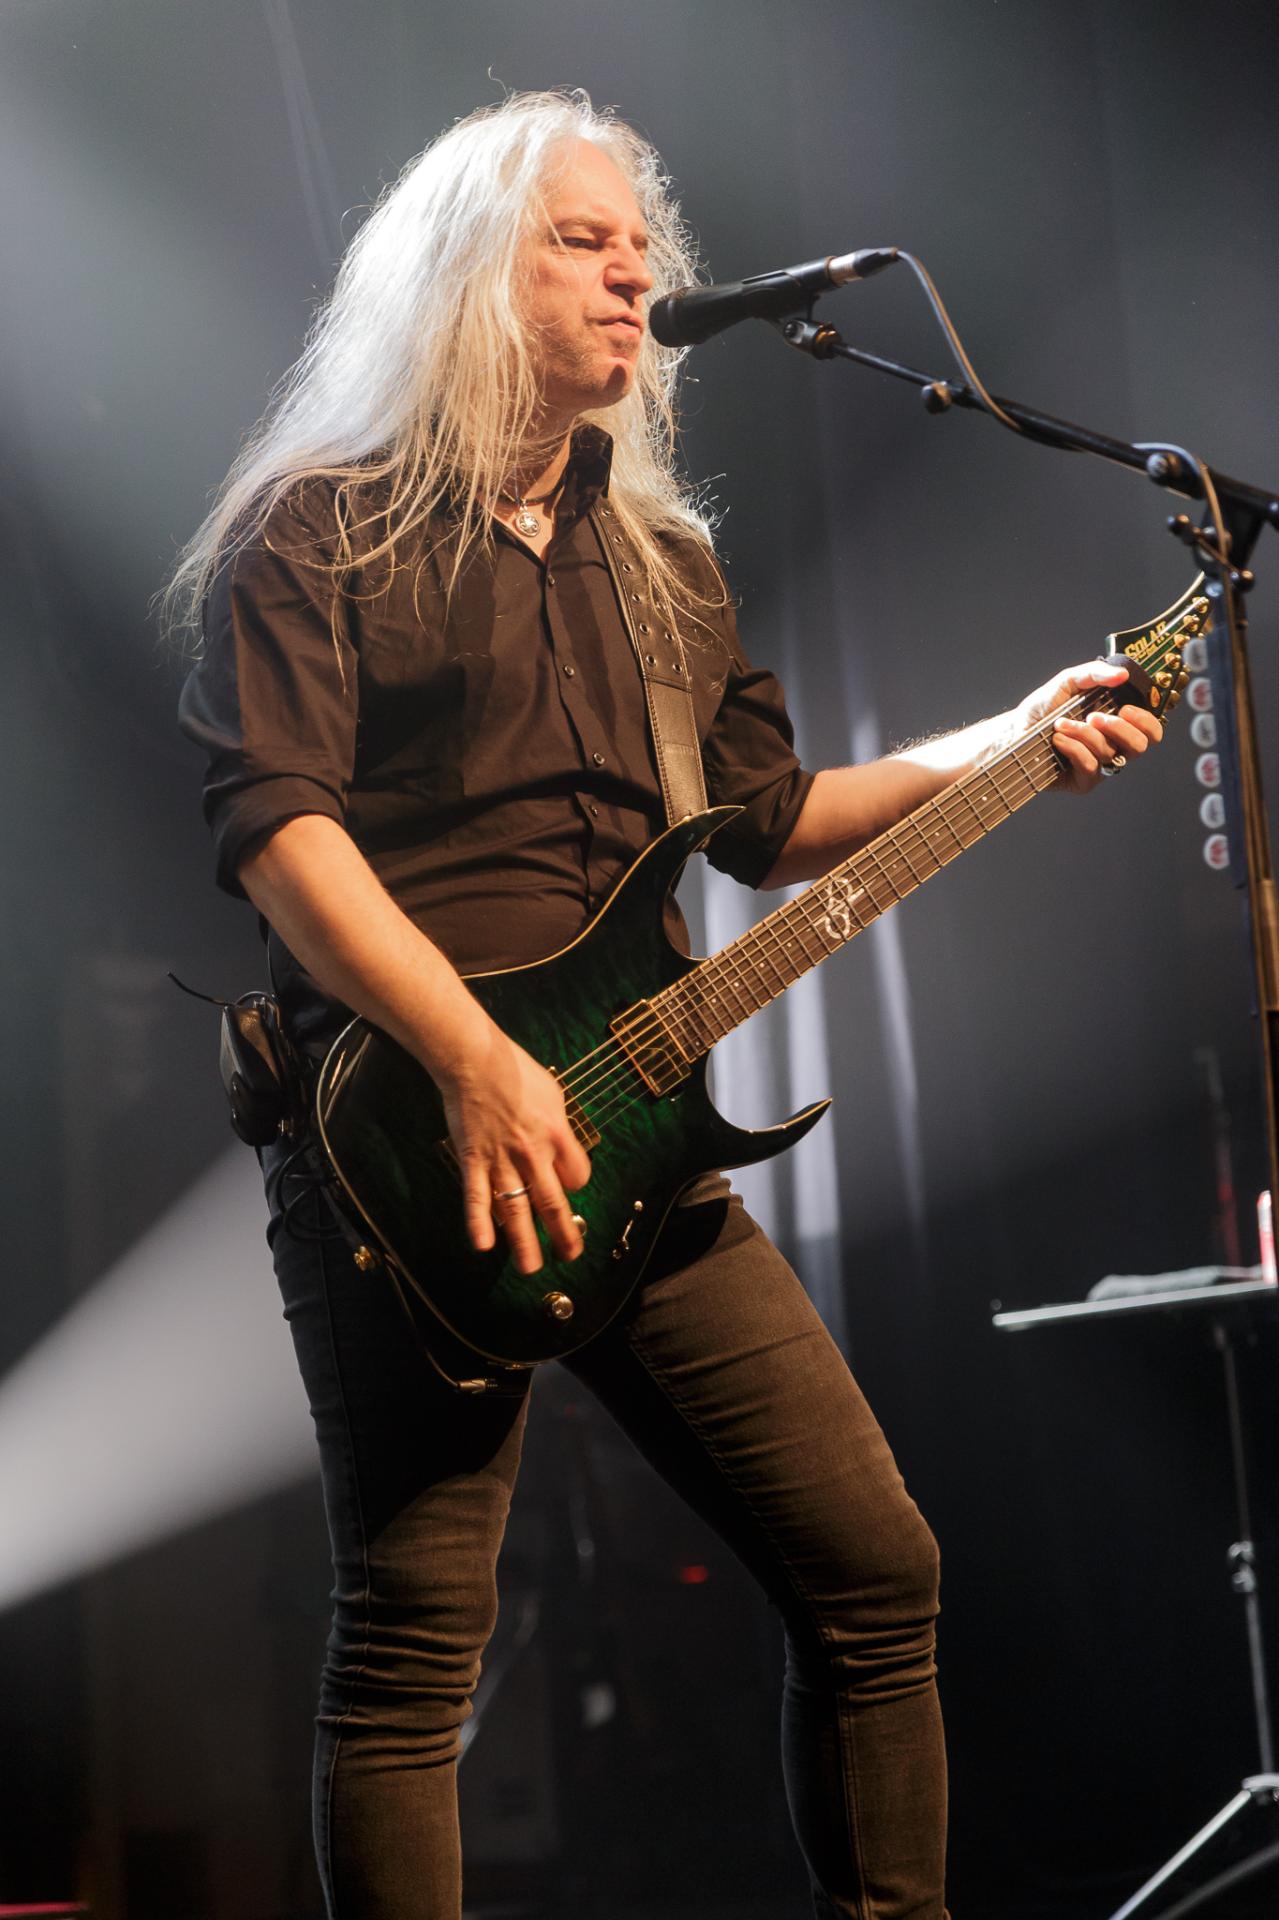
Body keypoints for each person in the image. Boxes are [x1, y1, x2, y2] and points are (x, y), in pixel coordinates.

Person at [172, 89, 1160, 1920]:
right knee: (417, 1643)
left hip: (635, 1128)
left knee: (874, 1570)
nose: (635, 277)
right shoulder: (322, 528)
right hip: (412, 1130)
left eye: (644, 249)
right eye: (584, 242)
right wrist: (472, 1059)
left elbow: (772, 823)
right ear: (471, 274)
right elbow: (279, 835)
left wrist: (1010, 736)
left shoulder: (661, 563)